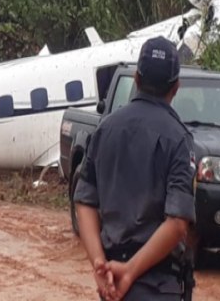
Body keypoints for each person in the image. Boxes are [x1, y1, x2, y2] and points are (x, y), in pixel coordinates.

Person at [74, 36, 196, 301]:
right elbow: (176, 224)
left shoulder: (105, 129)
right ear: (176, 86)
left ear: (137, 80)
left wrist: (99, 263)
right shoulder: (178, 139)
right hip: (158, 286)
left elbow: (84, 201)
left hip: (111, 284)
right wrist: (130, 271)